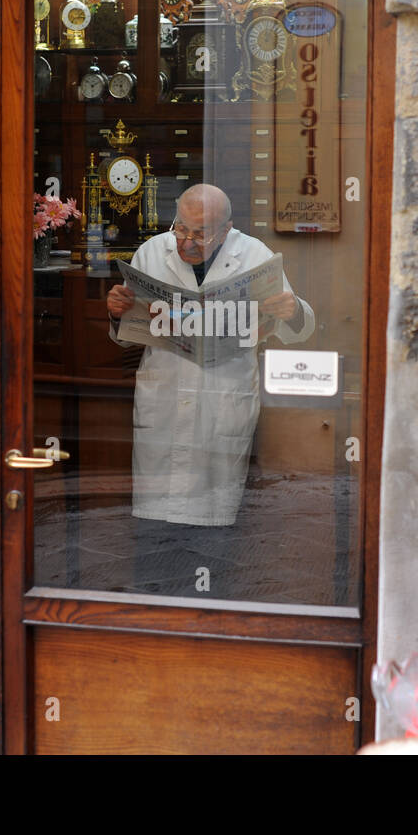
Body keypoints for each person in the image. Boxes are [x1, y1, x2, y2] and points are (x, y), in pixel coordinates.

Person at [106, 183, 315, 594]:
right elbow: (128, 336)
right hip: (162, 404)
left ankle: (209, 616)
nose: (185, 241)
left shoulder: (254, 257)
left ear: (226, 230)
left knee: (213, 538)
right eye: (181, 228)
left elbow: (298, 331)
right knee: (154, 532)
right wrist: (117, 314)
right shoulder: (152, 252)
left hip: (222, 404)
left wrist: (290, 310)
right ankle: (153, 616)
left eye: (199, 233)